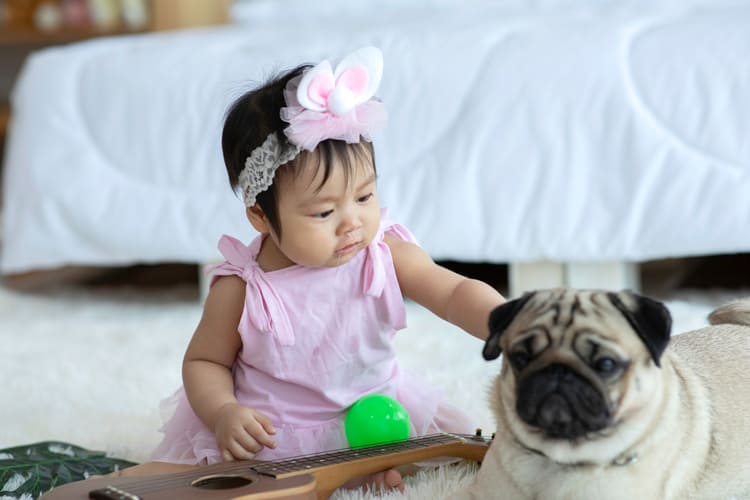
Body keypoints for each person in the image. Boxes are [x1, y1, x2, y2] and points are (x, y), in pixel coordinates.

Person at [126, 46, 506, 492]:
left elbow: (453, 292)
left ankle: (373, 466)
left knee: (439, 456)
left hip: (374, 415)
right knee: (215, 484)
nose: (353, 222)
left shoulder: (384, 252)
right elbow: (205, 361)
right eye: (324, 212)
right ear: (261, 218)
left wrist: (508, 324)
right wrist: (224, 412)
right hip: (275, 432)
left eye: (364, 197)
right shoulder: (244, 286)